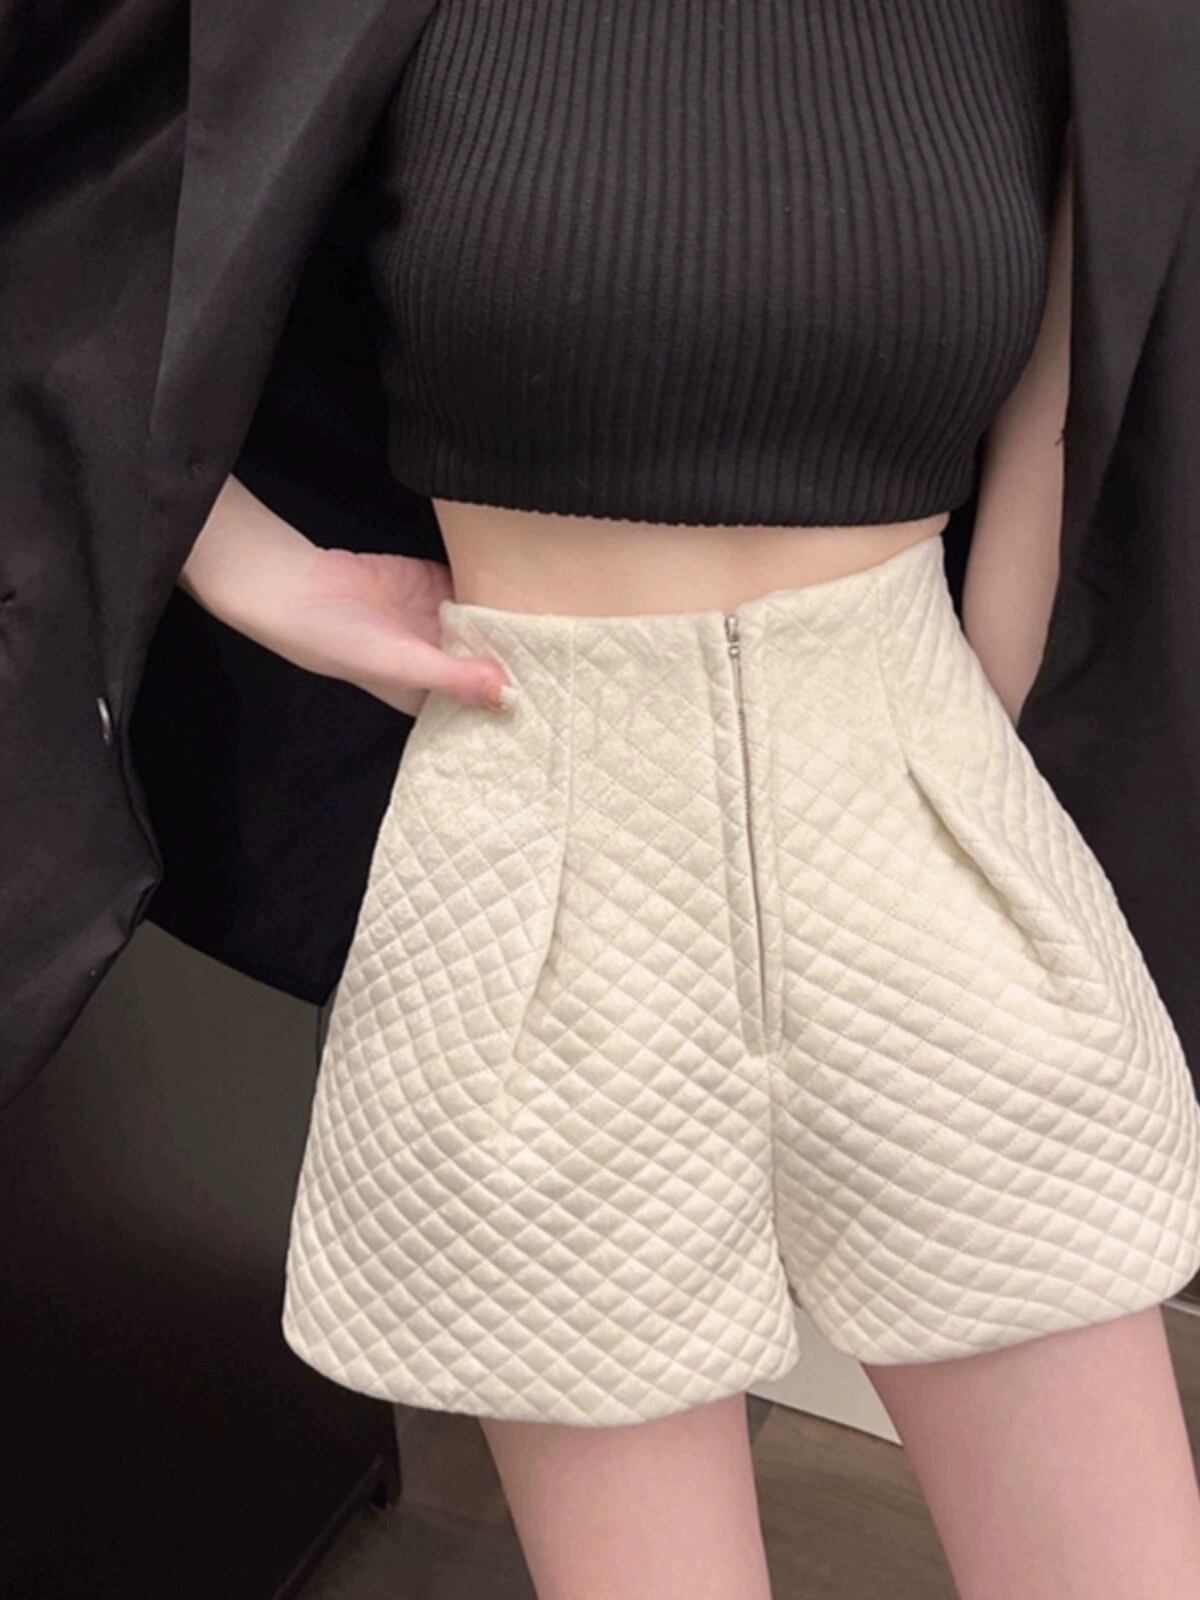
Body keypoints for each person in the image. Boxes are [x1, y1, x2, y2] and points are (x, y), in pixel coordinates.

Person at [165, 3, 1200, 1598]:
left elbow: (1070, 440)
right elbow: (75, 241)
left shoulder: (1085, 26)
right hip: (534, 870)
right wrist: (247, 565)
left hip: (927, 813)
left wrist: (990, 812)